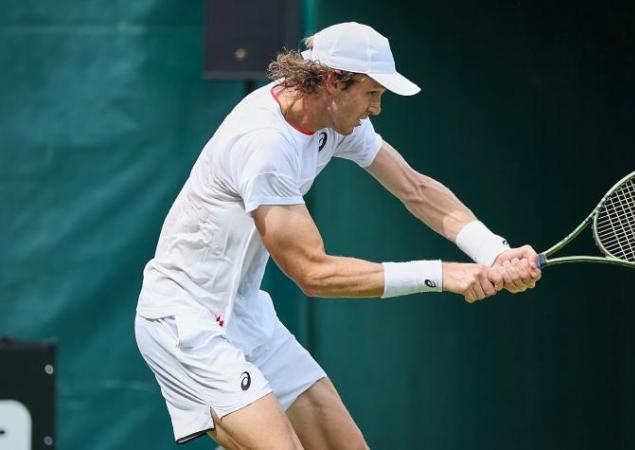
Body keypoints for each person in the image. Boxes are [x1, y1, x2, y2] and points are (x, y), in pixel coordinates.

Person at [135, 21, 542, 450]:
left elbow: (415, 188)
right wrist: (441, 274)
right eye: (372, 94)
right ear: (333, 82)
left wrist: (493, 251)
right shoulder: (265, 144)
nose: (377, 108)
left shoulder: (332, 118)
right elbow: (313, 273)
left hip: (246, 314)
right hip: (186, 322)